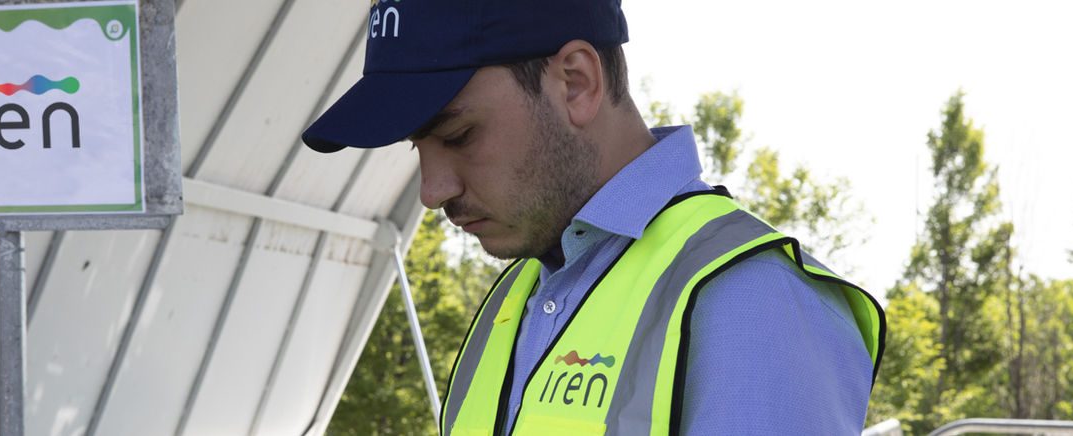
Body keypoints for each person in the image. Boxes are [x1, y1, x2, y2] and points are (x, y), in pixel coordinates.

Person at [302, 0, 886, 434]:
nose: (432, 191)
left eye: (458, 134)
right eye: (415, 147)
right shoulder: (516, 299)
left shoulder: (749, 299)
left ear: (576, 82)